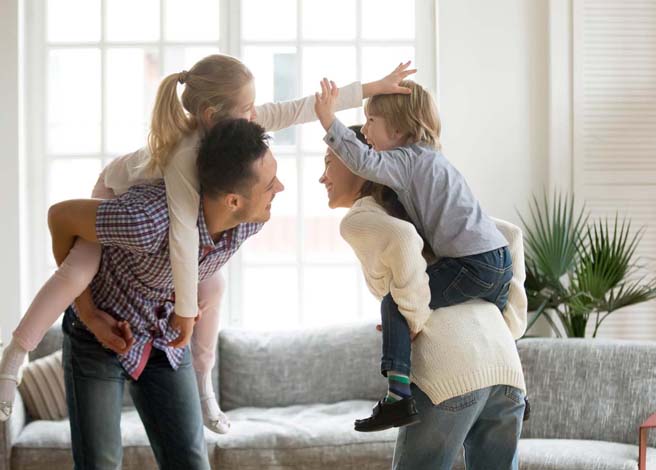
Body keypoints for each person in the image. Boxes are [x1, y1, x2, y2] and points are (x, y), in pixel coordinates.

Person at [0, 54, 415, 433]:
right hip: (112, 190)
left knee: (214, 285)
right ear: (212, 114)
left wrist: (370, 88)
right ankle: (15, 357)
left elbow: (299, 107)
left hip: (163, 225)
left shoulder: (234, 128)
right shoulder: (185, 157)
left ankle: (203, 386)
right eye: (247, 107)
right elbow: (182, 235)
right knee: (79, 271)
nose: (256, 114)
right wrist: (184, 312)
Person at [49, 118, 276, 469]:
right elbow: (60, 218)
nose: (281, 188)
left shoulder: (251, 221)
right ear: (233, 200)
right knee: (100, 463)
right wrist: (91, 315)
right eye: (270, 185)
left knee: (189, 461)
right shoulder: (145, 221)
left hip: (164, 339)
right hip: (98, 335)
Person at [319, 125, 528, 468]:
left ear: (361, 163)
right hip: (504, 367)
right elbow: (509, 234)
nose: (321, 176)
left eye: (330, 160)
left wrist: (412, 315)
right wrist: (511, 323)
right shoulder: (422, 210)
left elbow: (402, 241)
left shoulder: (362, 218)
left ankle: (395, 396)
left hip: (448, 374)